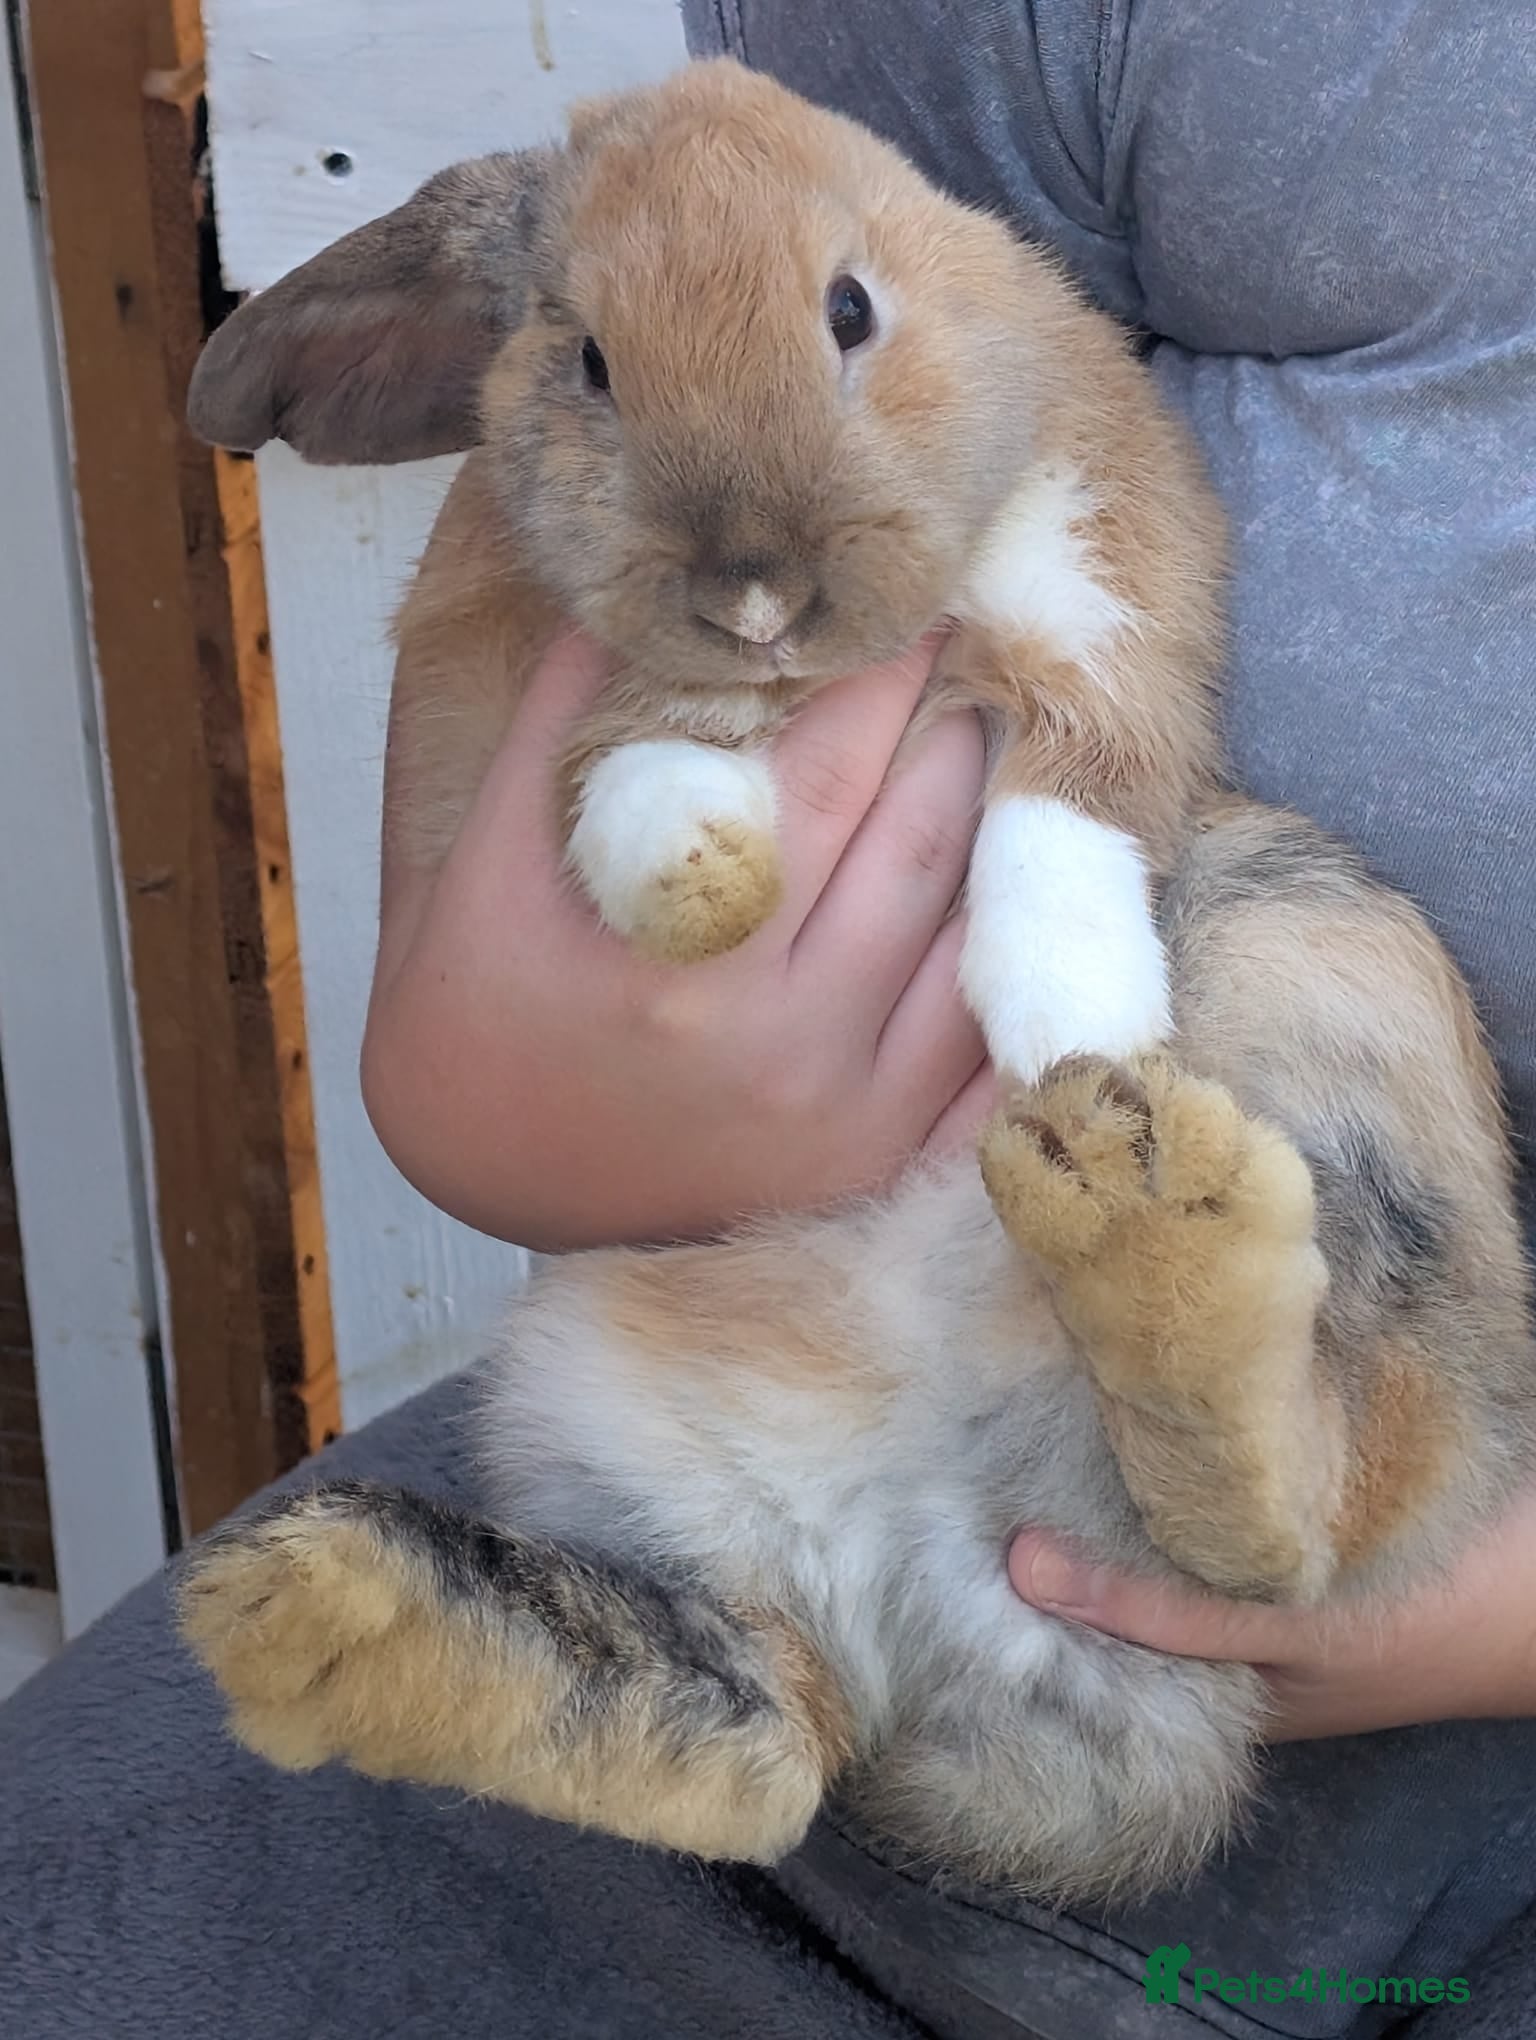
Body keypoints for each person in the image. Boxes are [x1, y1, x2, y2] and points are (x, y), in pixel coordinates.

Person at [5, 4, 1533, 2037]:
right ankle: (704, 1686)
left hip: (1332, 1545)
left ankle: (1248, 1427)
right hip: (851, 1453)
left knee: (1328, 971)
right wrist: (490, 1085)